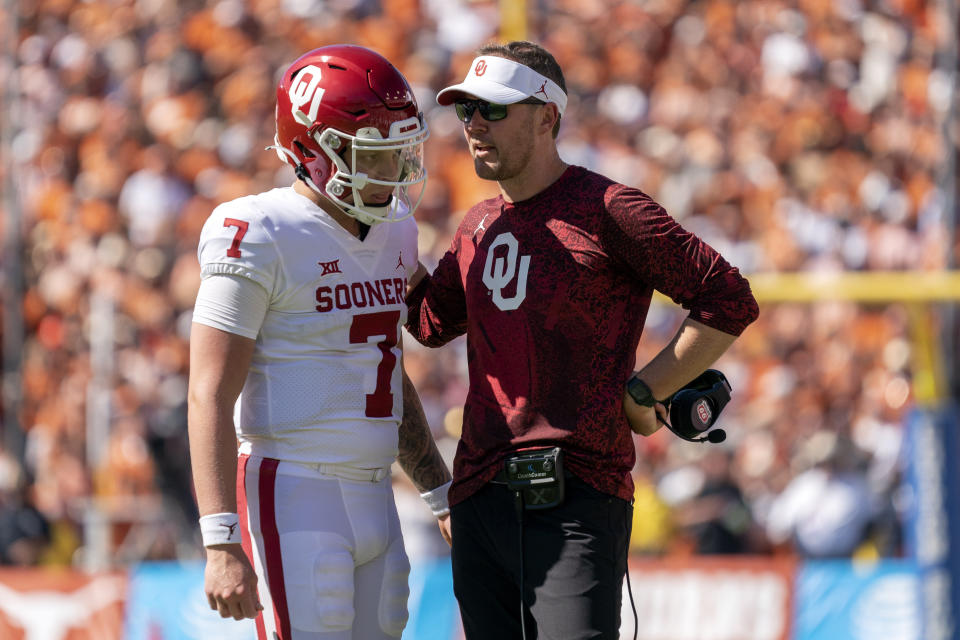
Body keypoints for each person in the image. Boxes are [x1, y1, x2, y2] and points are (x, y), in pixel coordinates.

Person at [405, 41, 760, 638]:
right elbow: (428, 323)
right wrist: (379, 227)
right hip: (479, 500)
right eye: (466, 111)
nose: (474, 126)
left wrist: (645, 389)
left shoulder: (610, 209)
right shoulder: (477, 223)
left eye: (493, 109)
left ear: (547, 116)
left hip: (575, 497)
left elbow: (728, 298)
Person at [187, 45, 452, 640]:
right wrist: (220, 539)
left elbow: (382, 367)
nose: (392, 172)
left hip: (377, 490)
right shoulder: (258, 230)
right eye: (371, 155)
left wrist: (439, 490)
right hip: (294, 487)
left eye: (398, 152)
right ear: (313, 150)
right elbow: (208, 391)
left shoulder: (397, 230)